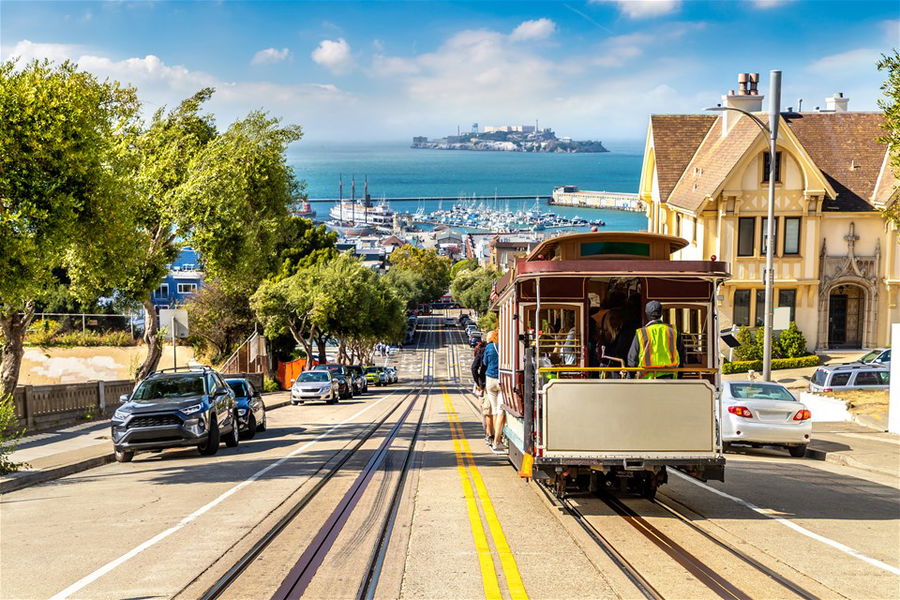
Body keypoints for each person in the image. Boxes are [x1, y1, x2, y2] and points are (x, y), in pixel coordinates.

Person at [627, 300, 686, 379]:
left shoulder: (641, 333)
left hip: (647, 380)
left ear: (646, 314)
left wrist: (629, 378)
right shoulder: (673, 331)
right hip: (670, 378)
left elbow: (632, 360)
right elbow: (682, 356)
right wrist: (680, 376)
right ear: (661, 314)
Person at [482, 329, 505, 453]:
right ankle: (497, 441)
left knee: (495, 410)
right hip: (502, 379)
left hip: (490, 380)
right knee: (501, 411)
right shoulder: (505, 346)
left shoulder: (489, 347)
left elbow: (484, 362)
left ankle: (496, 439)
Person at [470, 340, 489, 443]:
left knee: (485, 412)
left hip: (484, 384)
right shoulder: (490, 350)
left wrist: (478, 383)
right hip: (491, 382)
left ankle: (487, 433)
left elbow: (473, 368)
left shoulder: (481, 351)